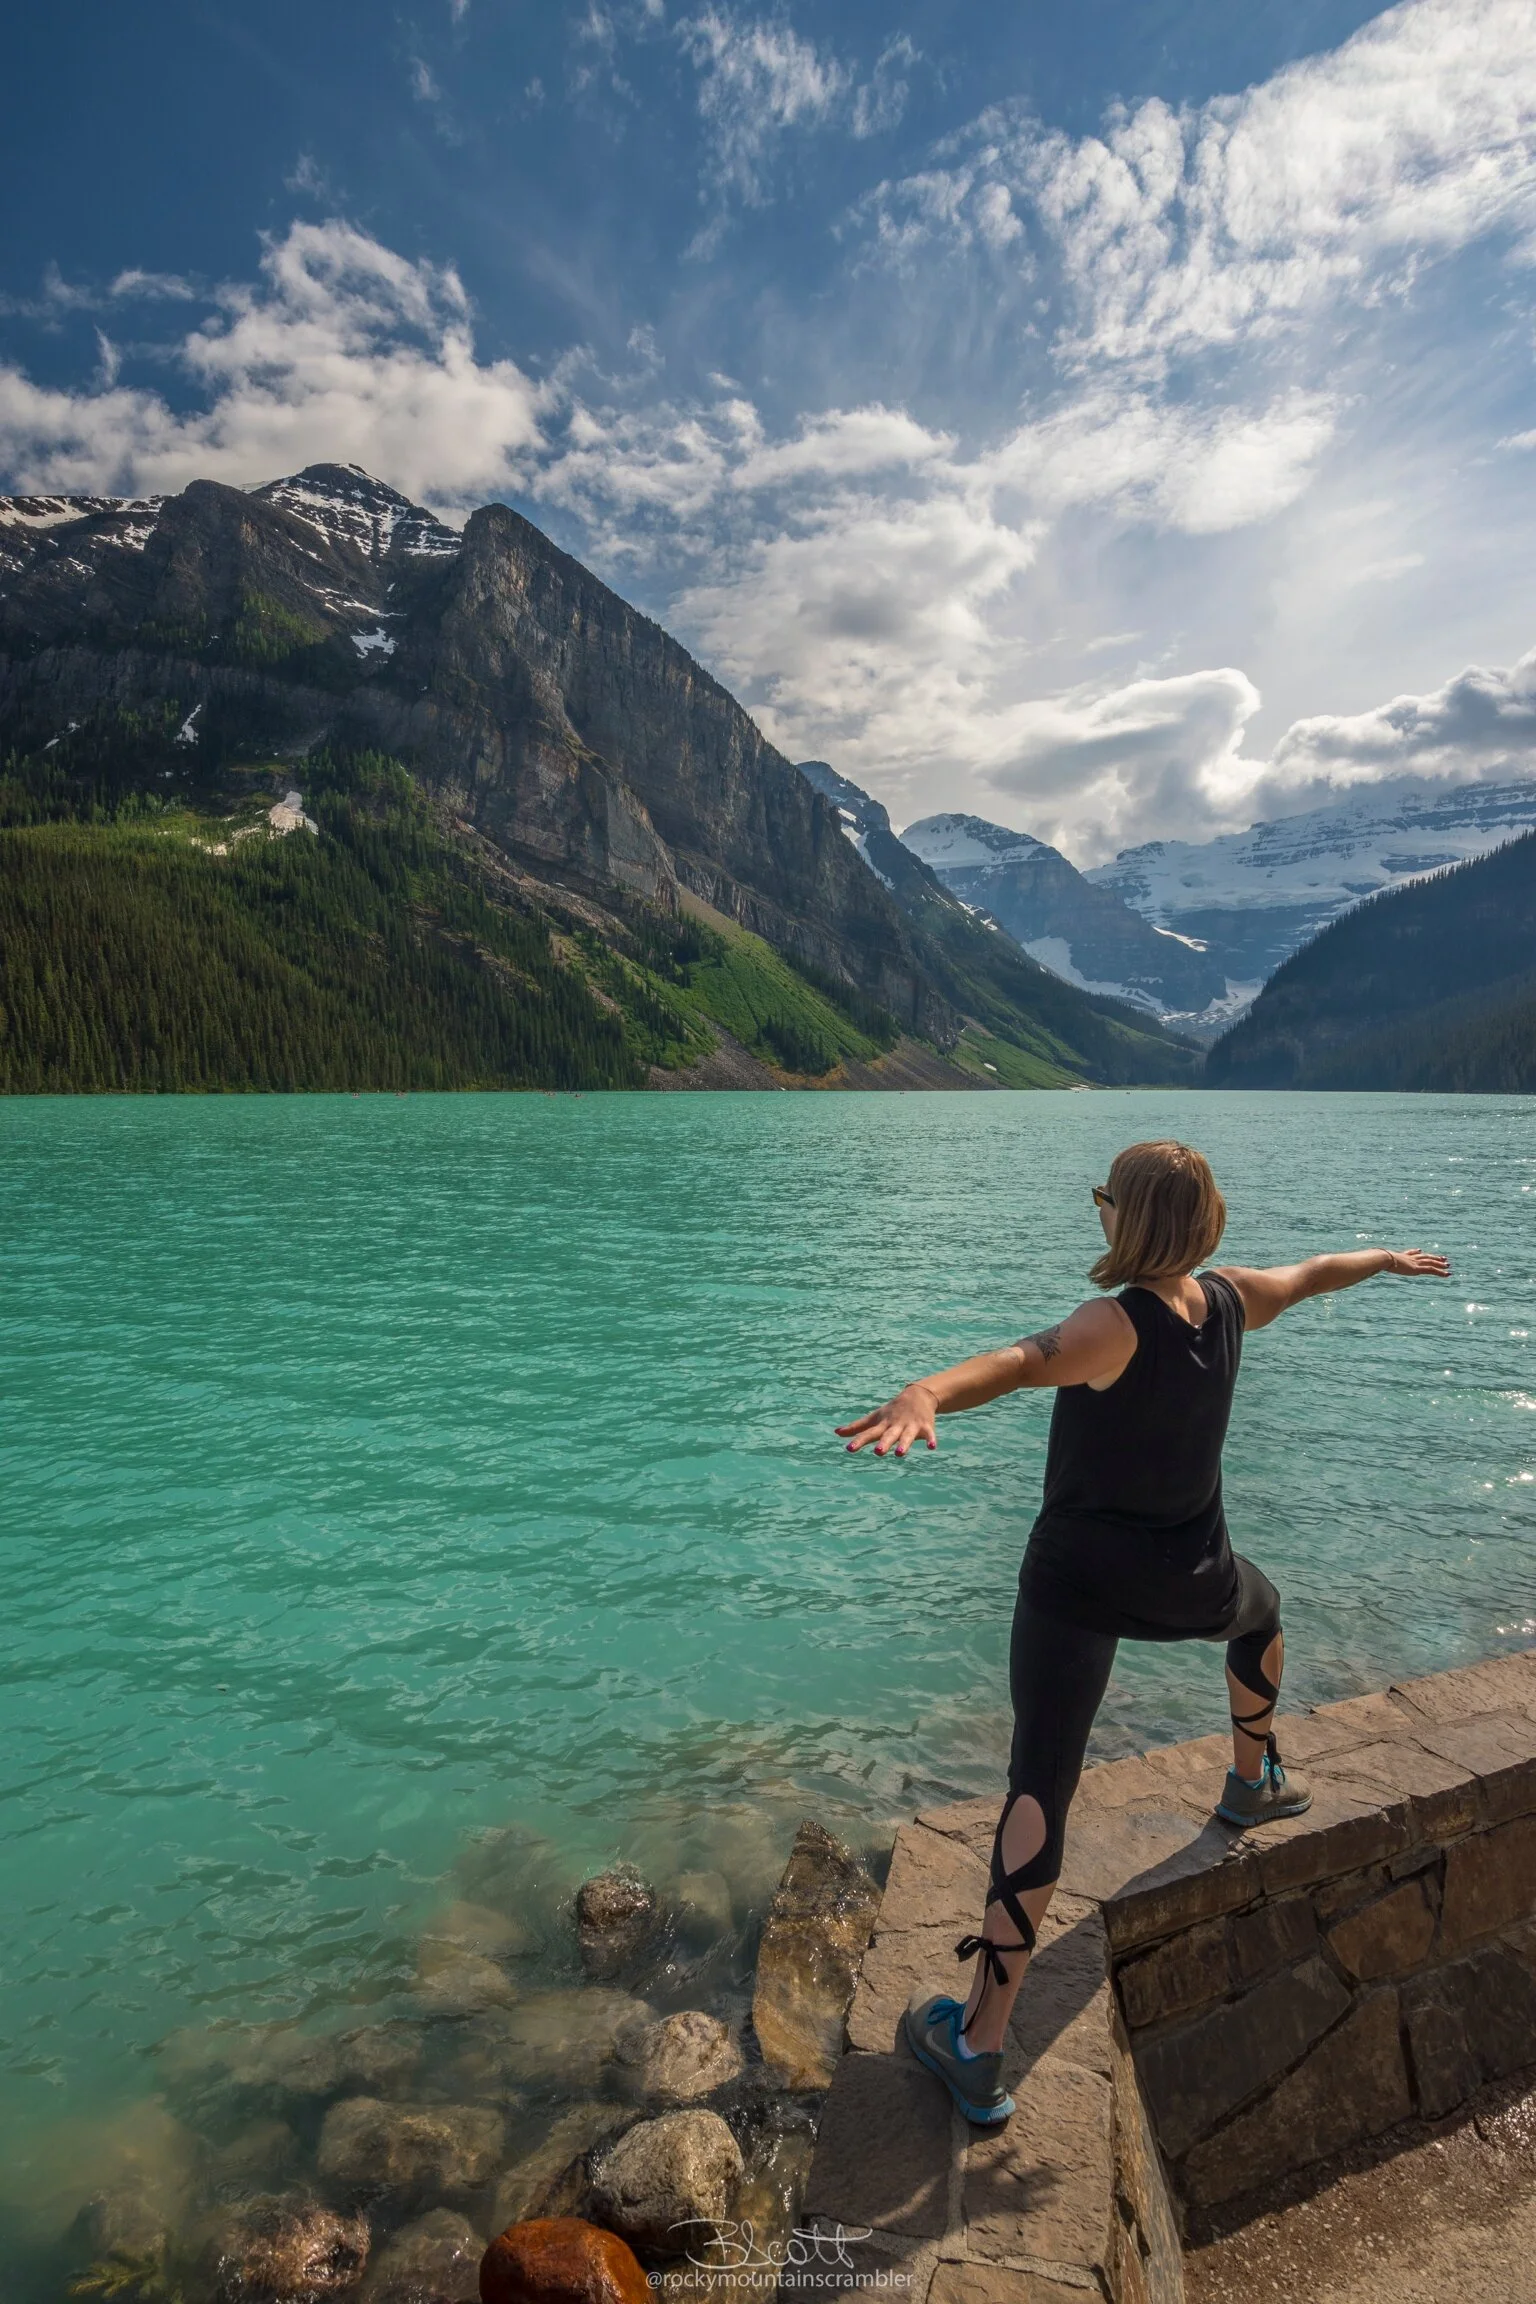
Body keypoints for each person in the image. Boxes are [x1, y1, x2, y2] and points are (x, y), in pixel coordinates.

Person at [835, 1139, 1450, 2128]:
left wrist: (924, 1393)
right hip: (1192, 1580)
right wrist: (1384, 1259)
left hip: (1076, 1588)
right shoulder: (1236, 1297)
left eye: (1104, 1202)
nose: (1099, 1213)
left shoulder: (1108, 1326)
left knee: (1041, 1782)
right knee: (1265, 1612)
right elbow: (1313, 1272)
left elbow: (1015, 1364)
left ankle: (979, 2041)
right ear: (1205, 1220)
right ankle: (1253, 1781)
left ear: (1127, 1217)